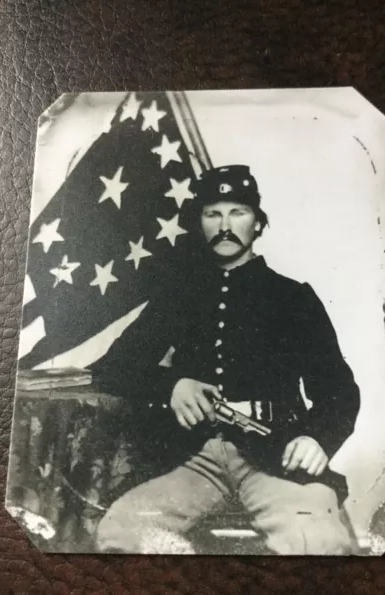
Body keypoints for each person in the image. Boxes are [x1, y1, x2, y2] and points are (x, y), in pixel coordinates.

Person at [96, 165, 360, 554]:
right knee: (120, 533)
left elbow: (338, 390)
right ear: (200, 224)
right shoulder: (177, 296)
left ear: (258, 224)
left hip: (274, 456)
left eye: (238, 212)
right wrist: (171, 385)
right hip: (189, 460)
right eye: (212, 213)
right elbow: (111, 369)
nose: (225, 224)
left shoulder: (293, 298)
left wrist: (317, 437)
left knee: (315, 540)